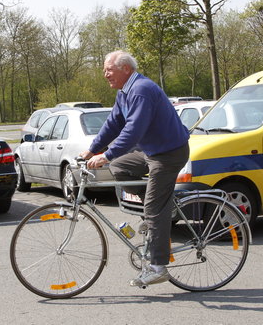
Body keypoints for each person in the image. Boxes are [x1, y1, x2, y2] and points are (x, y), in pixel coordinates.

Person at [80, 50, 190, 286]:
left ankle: (159, 267)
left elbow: (133, 131)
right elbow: (113, 123)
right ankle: (158, 212)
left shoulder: (141, 90)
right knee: (119, 168)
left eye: (108, 69)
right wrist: (92, 150)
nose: (105, 74)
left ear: (125, 69)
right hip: (151, 151)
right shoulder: (125, 91)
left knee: (153, 206)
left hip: (169, 154)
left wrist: (106, 155)